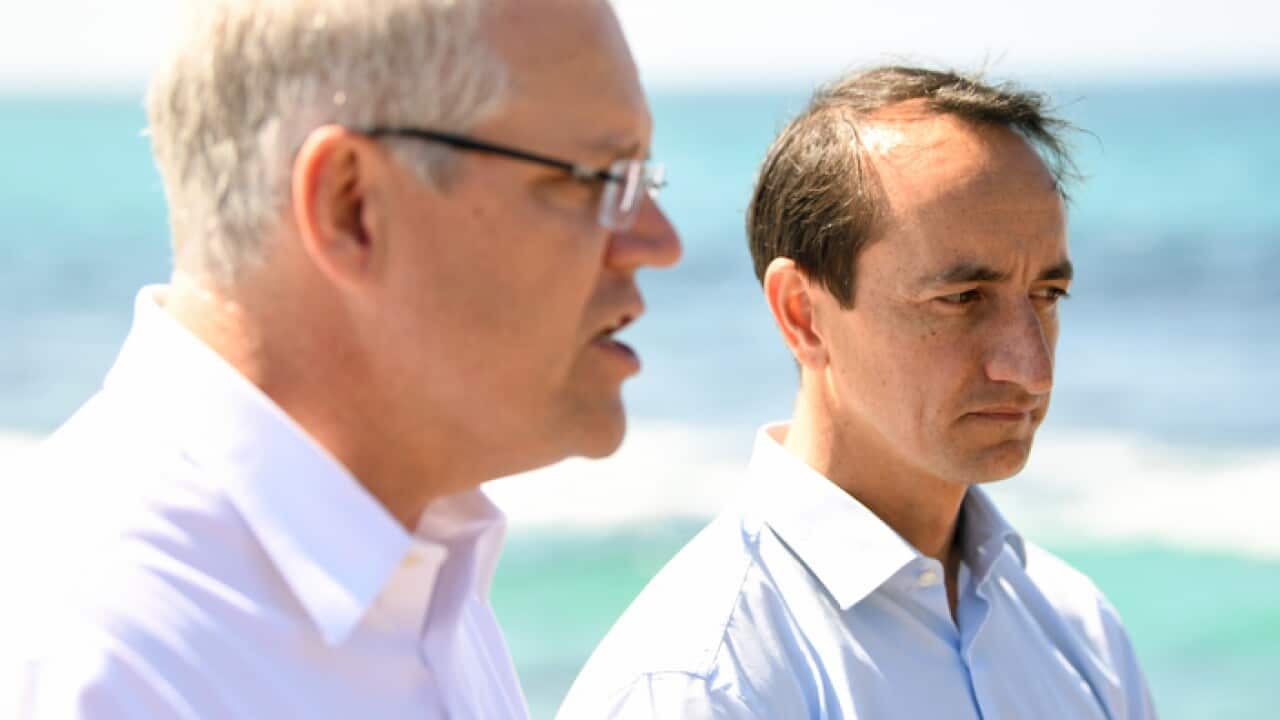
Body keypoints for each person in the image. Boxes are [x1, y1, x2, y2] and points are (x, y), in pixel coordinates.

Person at [6, 0, 679, 717]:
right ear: (350, 205)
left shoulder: (419, 574)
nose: (658, 242)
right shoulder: (96, 662)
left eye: (643, 183)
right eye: (596, 180)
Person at [557, 66, 1157, 719]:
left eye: (1047, 295)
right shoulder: (699, 686)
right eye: (962, 299)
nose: (1032, 368)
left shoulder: (1081, 629)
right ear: (803, 316)